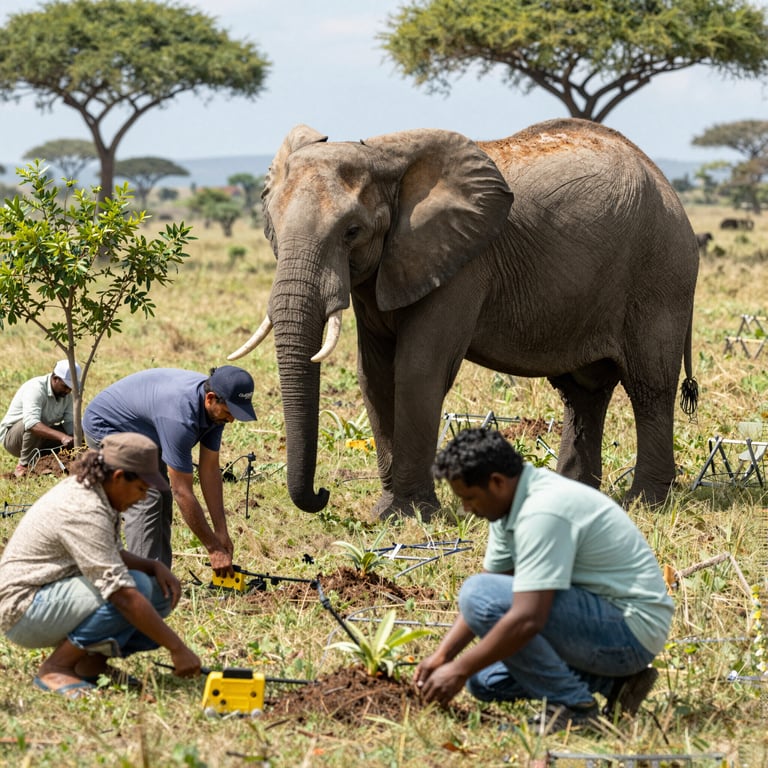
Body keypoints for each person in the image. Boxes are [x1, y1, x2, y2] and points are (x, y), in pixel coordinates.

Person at [414, 428, 674, 731]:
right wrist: (443, 657)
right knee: (483, 679)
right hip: (600, 624)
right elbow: (492, 591)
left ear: (496, 482)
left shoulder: (544, 511)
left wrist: (456, 669)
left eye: (469, 498)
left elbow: (525, 617)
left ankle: (577, 707)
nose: (467, 509)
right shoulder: (508, 503)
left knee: (477, 597)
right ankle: (615, 683)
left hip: (629, 630)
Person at [0, 433, 201, 699]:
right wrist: (178, 649)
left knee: (157, 594)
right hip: (22, 608)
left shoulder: (97, 491)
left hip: (49, 595)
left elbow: (110, 552)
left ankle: (88, 665)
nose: (142, 499)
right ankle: (55, 668)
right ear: (118, 476)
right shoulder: (84, 508)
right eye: (141, 489)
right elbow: (121, 594)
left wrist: (153, 566)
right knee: (135, 590)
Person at [82, 366, 256, 575]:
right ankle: (143, 583)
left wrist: (221, 532)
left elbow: (209, 470)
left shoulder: (216, 407)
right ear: (210, 398)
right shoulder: (180, 417)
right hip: (109, 425)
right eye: (229, 412)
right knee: (146, 498)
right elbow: (182, 492)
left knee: (162, 495)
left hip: (147, 430)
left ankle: (158, 574)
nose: (231, 420)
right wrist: (213, 548)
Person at [0, 359, 81, 477]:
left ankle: (43, 463)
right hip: (14, 439)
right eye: (65, 386)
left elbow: (70, 421)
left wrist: (76, 440)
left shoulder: (67, 394)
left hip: (40, 439)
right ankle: (23, 466)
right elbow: (31, 423)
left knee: (78, 427)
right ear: (55, 378)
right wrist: (63, 437)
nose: (68, 390)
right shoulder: (36, 388)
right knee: (34, 424)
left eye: (70, 388)